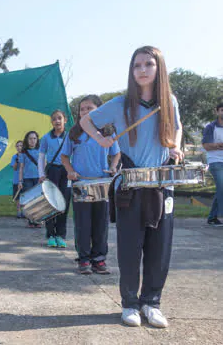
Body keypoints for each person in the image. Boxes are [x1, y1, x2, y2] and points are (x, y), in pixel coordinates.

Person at [80, 46, 183, 328]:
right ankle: (129, 304)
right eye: (137, 65)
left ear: (158, 68)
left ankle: (152, 302)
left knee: (160, 247)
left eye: (148, 64)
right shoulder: (120, 103)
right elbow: (86, 121)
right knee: (129, 247)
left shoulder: (169, 101)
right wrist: (101, 139)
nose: (142, 70)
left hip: (162, 183)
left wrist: (175, 146)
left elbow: (177, 127)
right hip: (130, 183)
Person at [61, 95, 121, 275]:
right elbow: (64, 157)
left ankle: (99, 259)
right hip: (81, 184)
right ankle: (84, 259)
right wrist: (70, 170)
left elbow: (116, 153)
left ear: (100, 110)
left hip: (102, 184)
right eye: (82, 109)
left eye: (90, 108)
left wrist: (112, 167)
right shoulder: (74, 133)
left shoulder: (108, 132)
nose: (85, 112)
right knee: (83, 223)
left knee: (101, 223)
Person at [38, 110, 71, 248]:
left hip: (66, 171)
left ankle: (61, 235)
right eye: (54, 119)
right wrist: (41, 174)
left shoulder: (70, 137)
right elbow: (41, 156)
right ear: (51, 122)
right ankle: (51, 234)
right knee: (50, 203)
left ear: (65, 120)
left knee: (64, 203)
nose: (57, 121)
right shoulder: (46, 137)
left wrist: (72, 171)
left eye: (60, 118)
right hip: (52, 171)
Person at [202, 101, 223, 226]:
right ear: (217, 111)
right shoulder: (210, 127)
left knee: (220, 189)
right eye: (222, 110)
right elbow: (206, 146)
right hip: (215, 162)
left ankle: (212, 217)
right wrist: (219, 145)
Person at [18, 132, 41, 227]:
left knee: (38, 199)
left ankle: (38, 219)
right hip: (27, 179)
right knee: (30, 200)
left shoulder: (40, 150)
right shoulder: (23, 153)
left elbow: (44, 165)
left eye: (34, 138)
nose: (32, 140)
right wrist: (20, 181)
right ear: (27, 140)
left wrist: (44, 177)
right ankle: (31, 220)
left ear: (37, 140)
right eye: (30, 138)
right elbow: (21, 168)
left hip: (38, 178)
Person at [11, 140, 24, 218]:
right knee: (18, 197)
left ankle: (25, 211)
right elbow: (15, 168)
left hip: (25, 179)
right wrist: (17, 161)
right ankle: (19, 211)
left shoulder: (26, 155)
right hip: (16, 179)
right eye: (18, 146)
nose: (19, 147)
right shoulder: (14, 157)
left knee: (25, 195)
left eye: (21, 146)